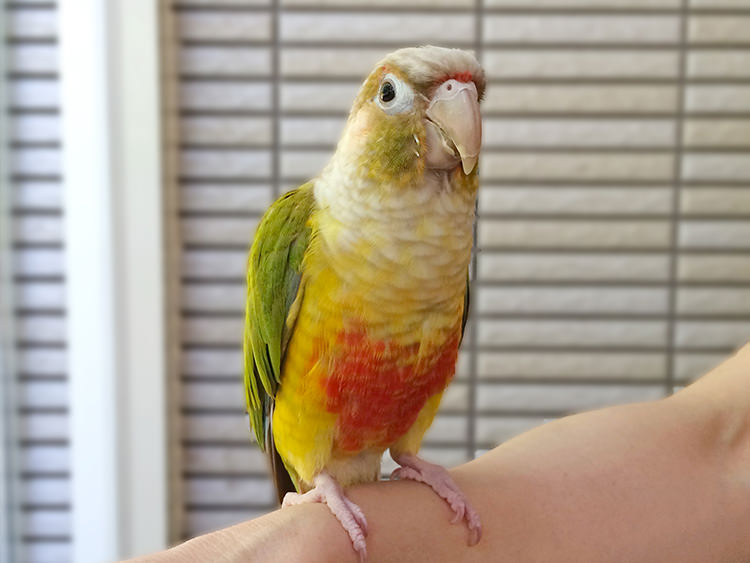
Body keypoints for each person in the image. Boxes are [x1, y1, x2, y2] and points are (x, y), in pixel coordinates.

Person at [129, 343, 750, 562]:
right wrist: (315, 537)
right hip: (316, 463)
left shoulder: (449, 256)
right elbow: (723, 447)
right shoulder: (300, 233)